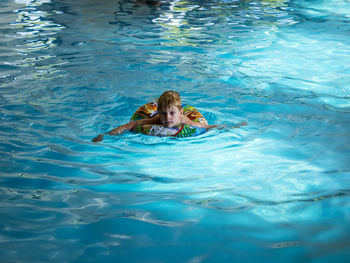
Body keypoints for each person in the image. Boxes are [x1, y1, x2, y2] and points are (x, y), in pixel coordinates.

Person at [92, 91, 246, 142]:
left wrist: (234, 127)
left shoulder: (184, 120)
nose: (167, 118)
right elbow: (130, 125)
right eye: (164, 113)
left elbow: (208, 127)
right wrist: (105, 135)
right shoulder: (157, 119)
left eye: (172, 113)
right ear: (159, 112)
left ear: (179, 113)